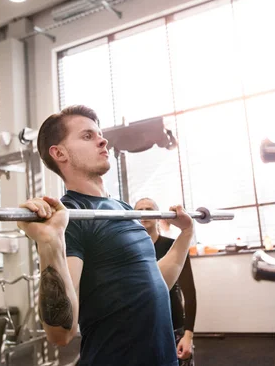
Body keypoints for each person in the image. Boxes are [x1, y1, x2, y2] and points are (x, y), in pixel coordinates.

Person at [16, 105, 195, 366]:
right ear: (59, 153)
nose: (103, 140)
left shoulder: (122, 209)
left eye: (99, 133)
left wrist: (187, 233)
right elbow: (60, 334)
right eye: (87, 136)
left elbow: (155, 283)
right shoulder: (71, 217)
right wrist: (50, 242)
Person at [135, 198, 197, 366]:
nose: (144, 213)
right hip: (142, 329)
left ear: (158, 216)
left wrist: (188, 335)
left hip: (174, 325)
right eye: (140, 209)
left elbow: (189, 292)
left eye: (149, 209)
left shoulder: (174, 245)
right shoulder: (130, 252)